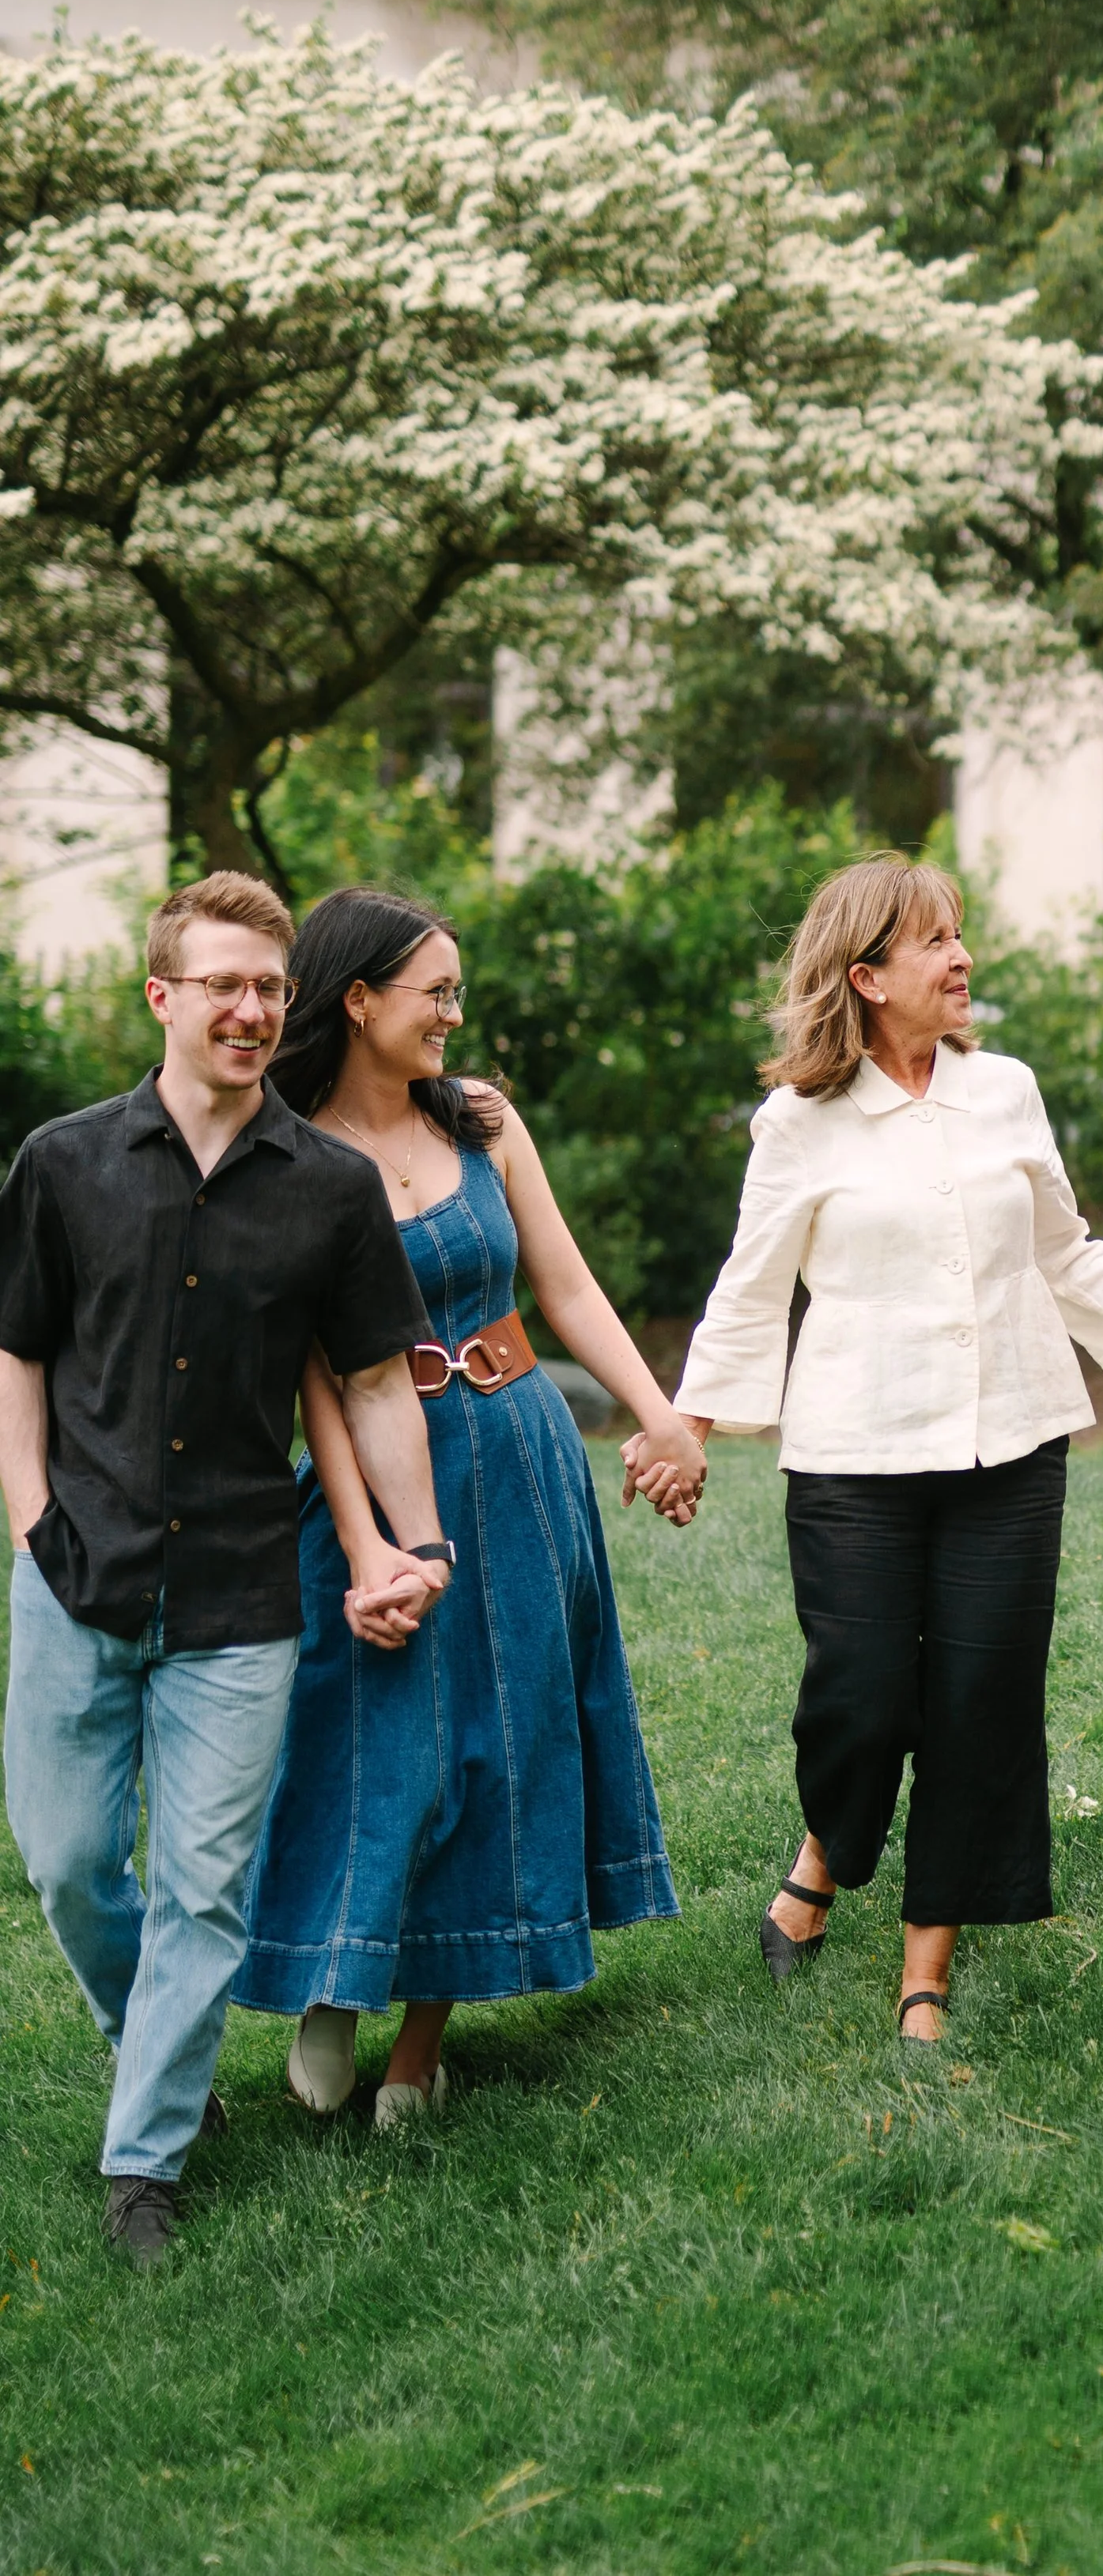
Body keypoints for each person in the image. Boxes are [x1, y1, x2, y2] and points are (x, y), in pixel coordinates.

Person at [0, 873, 445, 2267]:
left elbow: (375, 1382)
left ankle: (147, 2160)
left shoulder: (329, 1188)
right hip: (76, 1573)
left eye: (270, 988)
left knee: (205, 1890)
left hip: (246, 1596)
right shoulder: (63, 1163)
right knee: (71, 1866)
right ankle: (163, 2049)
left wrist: (417, 1541)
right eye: (223, 986)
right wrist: (29, 1517)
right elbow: (17, 1351)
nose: (252, 1010)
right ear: (163, 997)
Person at [234, 888, 707, 2124]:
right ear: (356, 1000)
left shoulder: (486, 1122)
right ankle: (336, 1984)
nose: (454, 1011)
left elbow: (564, 1282)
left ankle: (420, 2043)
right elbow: (310, 1376)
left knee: (498, 1737)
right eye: (433, 990)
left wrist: (656, 1411)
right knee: (369, 1731)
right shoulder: (283, 1148)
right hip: (370, 1468)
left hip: (514, 1453)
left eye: (457, 989)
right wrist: (368, 1535)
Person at [663, 855, 1103, 2044]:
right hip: (855, 1454)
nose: (963, 958)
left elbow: (1065, 1250)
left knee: (980, 1701)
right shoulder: (800, 1120)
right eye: (936, 943)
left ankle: (926, 1965)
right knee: (864, 1701)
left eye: (960, 934)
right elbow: (753, 1283)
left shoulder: (1009, 1089)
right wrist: (691, 1422)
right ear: (867, 977)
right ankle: (828, 1841)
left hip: (1014, 1439)